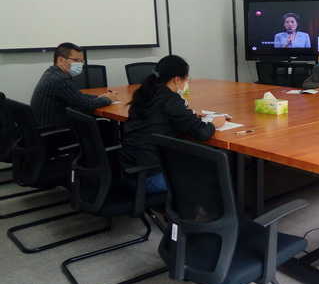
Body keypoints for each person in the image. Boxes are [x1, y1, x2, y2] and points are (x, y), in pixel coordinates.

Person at [119, 55, 226, 193]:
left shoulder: (144, 94)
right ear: (177, 79)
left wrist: (189, 115)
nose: (186, 83)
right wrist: (214, 124)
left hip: (129, 173)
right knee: (211, 170)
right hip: (150, 178)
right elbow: (201, 132)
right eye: (186, 79)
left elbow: (162, 118)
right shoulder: (170, 98)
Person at [30, 42, 117, 132]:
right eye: (76, 60)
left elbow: (77, 96)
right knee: (105, 127)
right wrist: (108, 99)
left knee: (101, 125)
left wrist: (98, 97)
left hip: (44, 129)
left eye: (81, 61)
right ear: (61, 60)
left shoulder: (52, 73)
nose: (80, 64)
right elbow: (86, 105)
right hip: (56, 132)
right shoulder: (61, 80)